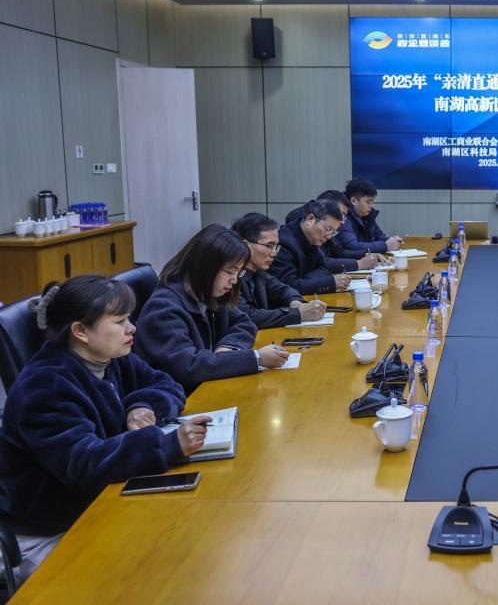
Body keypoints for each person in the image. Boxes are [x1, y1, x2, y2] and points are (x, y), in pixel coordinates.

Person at [0, 276, 210, 582]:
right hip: (50, 529)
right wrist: (166, 444)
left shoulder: (110, 358)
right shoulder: (44, 387)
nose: (132, 328)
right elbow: (84, 463)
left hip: (100, 499)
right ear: (80, 331)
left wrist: (142, 405)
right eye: (120, 321)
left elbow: (167, 384)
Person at [135, 224, 289, 394]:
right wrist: (256, 358)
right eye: (230, 271)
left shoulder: (208, 292)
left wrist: (228, 348)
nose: (234, 280)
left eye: (238, 273)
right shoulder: (164, 308)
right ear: (205, 267)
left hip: (208, 386)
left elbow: (245, 322)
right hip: (180, 397)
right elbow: (190, 367)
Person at [231, 213, 328, 329]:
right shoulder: (231, 275)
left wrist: (296, 302)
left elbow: (284, 290)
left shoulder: (258, 272)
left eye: (276, 247)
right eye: (269, 246)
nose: (274, 253)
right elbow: (248, 316)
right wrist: (299, 313)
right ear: (246, 245)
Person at [270, 199, 354, 295]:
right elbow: (288, 286)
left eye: (333, 232)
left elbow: (325, 267)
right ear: (310, 219)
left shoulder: (311, 238)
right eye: (328, 229)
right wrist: (331, 282)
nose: (329, 236)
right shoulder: (283, 243)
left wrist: (307, 281)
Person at [286, 190, 384, 271]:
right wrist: (358, 264)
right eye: (341, 214)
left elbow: (339, 252)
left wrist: (365, 254)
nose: (343, 221)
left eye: (345, 216)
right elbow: (321, 262)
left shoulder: (328, 226)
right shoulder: (309, 226)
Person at [338, 178, 403, 256]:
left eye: (372, 202)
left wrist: (392, 240)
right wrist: (385, 245)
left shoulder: (367, 214)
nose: (371, 206)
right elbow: (352, 246)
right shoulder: (343, 215)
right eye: (368, 202)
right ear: (353, 201)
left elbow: (379, 236)